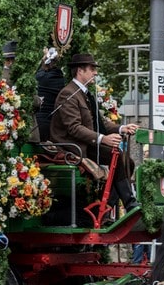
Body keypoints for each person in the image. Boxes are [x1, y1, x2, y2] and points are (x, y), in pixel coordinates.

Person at [49, 53, 140, 212]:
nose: (95, 73)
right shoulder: (68, 93)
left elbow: (99, 122)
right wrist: (103, 139)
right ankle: (128, 204)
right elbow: (74, 128)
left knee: (127, 161)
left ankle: (106, 209)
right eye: (92, 69)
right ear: (80, 71)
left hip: (86, 144)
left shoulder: (83, 93)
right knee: (117, 156)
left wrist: (121, 128)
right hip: (73, 147)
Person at [35, 47, 65, 142]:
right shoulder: (61, 79)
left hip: (38, 122)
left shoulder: (40, 77)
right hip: (54, 123)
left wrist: (42, 60)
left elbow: (37, 73)